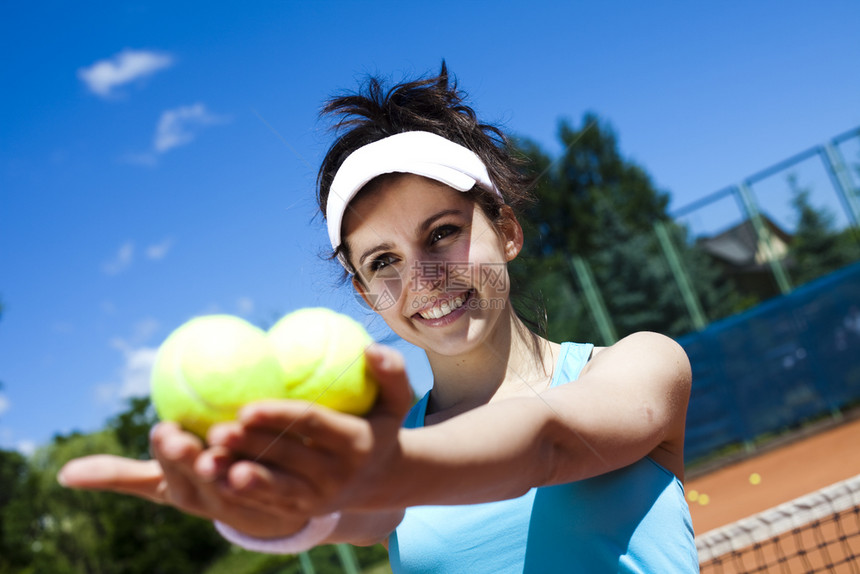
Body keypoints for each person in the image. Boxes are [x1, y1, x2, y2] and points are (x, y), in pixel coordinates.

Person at [59, 64, 699, 572]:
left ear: (507, 229)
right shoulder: (388, 455)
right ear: (367, 295)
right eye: (383, 260)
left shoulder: (643, 364)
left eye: (443, 232)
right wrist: (269, 512)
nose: (421, 277)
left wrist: (391, 466)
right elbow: (350, 515)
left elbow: (548, 442)